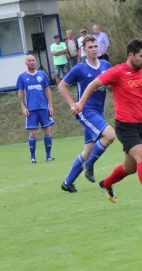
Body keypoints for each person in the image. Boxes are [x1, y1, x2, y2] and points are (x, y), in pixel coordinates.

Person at [73, 39, 142, 209]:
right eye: (141, 56)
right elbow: (94, 84)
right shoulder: (117, 72)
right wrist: (81, 103)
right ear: (131, 55)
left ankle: (107, 183)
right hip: (125, 126)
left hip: (141, 126)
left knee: (130, 168)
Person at [58, 36, 114, 193]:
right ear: (84, 50)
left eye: (96, 46)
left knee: (88, 149)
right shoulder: (80, 68)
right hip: (85, 111)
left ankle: (67, 182)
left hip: (98, 111)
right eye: (90, 47)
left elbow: (110, 86)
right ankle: (89, 165)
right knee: (110, 135)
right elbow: (62, 86)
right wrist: (72, 104)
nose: (94, 49)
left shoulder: (105, 65)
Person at [16, 55, 54, 163]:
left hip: (43, 108)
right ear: (26, 63)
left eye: (33, 60)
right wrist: (23, 107)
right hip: (31, 109)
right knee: (32, 132)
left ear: (35, 62)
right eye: (29, 61)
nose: (32, 62)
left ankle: (48, 155)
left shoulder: (42, 75)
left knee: (47, 130)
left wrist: (50, 106)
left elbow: (47, 91)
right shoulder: (22, 77)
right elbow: (20, 93)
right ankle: (33, 157)